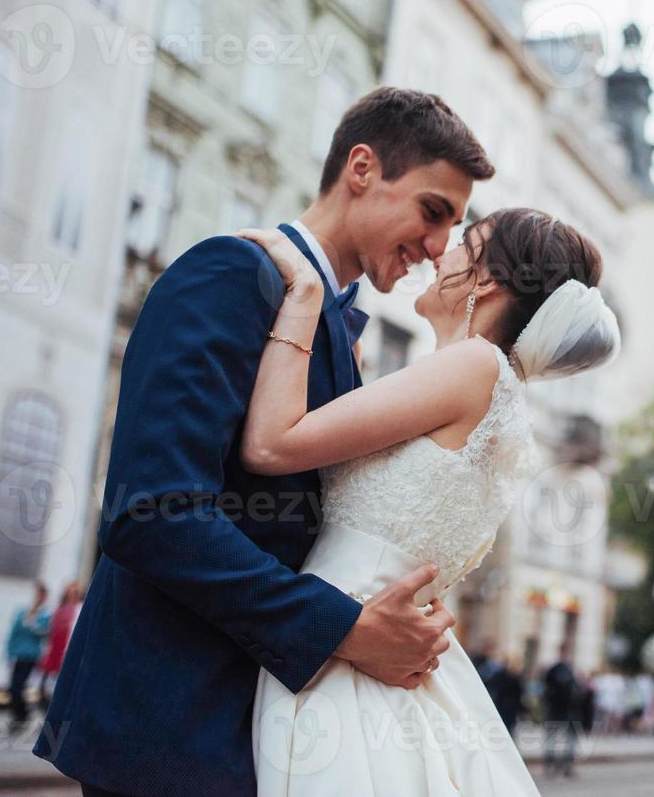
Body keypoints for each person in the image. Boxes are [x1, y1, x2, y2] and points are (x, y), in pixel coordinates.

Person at [34, 88, 495, 796]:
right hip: (171, 730)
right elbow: (152, 513)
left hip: (264, 731)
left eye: (453, 226)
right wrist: (345, 627)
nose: (439, 250)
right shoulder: (228, 274)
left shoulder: (338, 328)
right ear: (362, 169)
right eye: (433, 211)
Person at [242, 208, 617, 793]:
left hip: (346, 650)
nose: (440, 251)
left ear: (487, 279)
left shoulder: (472, 367)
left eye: (464, 242)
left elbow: (270, 445)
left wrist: (305, 297)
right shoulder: (497, 392)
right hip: (369, 649)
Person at [5, 583, 50, 730]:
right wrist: (9, 651)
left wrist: (33, 624)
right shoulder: (23, 611)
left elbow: (44, 632)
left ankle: (23, 715)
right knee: (13, 687)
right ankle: (19, 714)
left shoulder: (45, 614)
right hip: (18, 653)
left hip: (31, 655)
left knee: (20, 686)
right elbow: (14, 632)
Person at [37, 581, 81, 709]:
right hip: (54, 651)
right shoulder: (59, 608)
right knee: (44, 687)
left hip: (66, 651)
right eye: (70, 592)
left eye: (75, 593)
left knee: (59, 687)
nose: (72, 595)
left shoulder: (79, 609)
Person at [542, 643, 583, 778]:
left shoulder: (559, 670)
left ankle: (558, 765)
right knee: (562, 738)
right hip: (564, 710)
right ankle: (560, 765)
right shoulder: (566, 671)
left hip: (559, 709)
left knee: (557, 738)